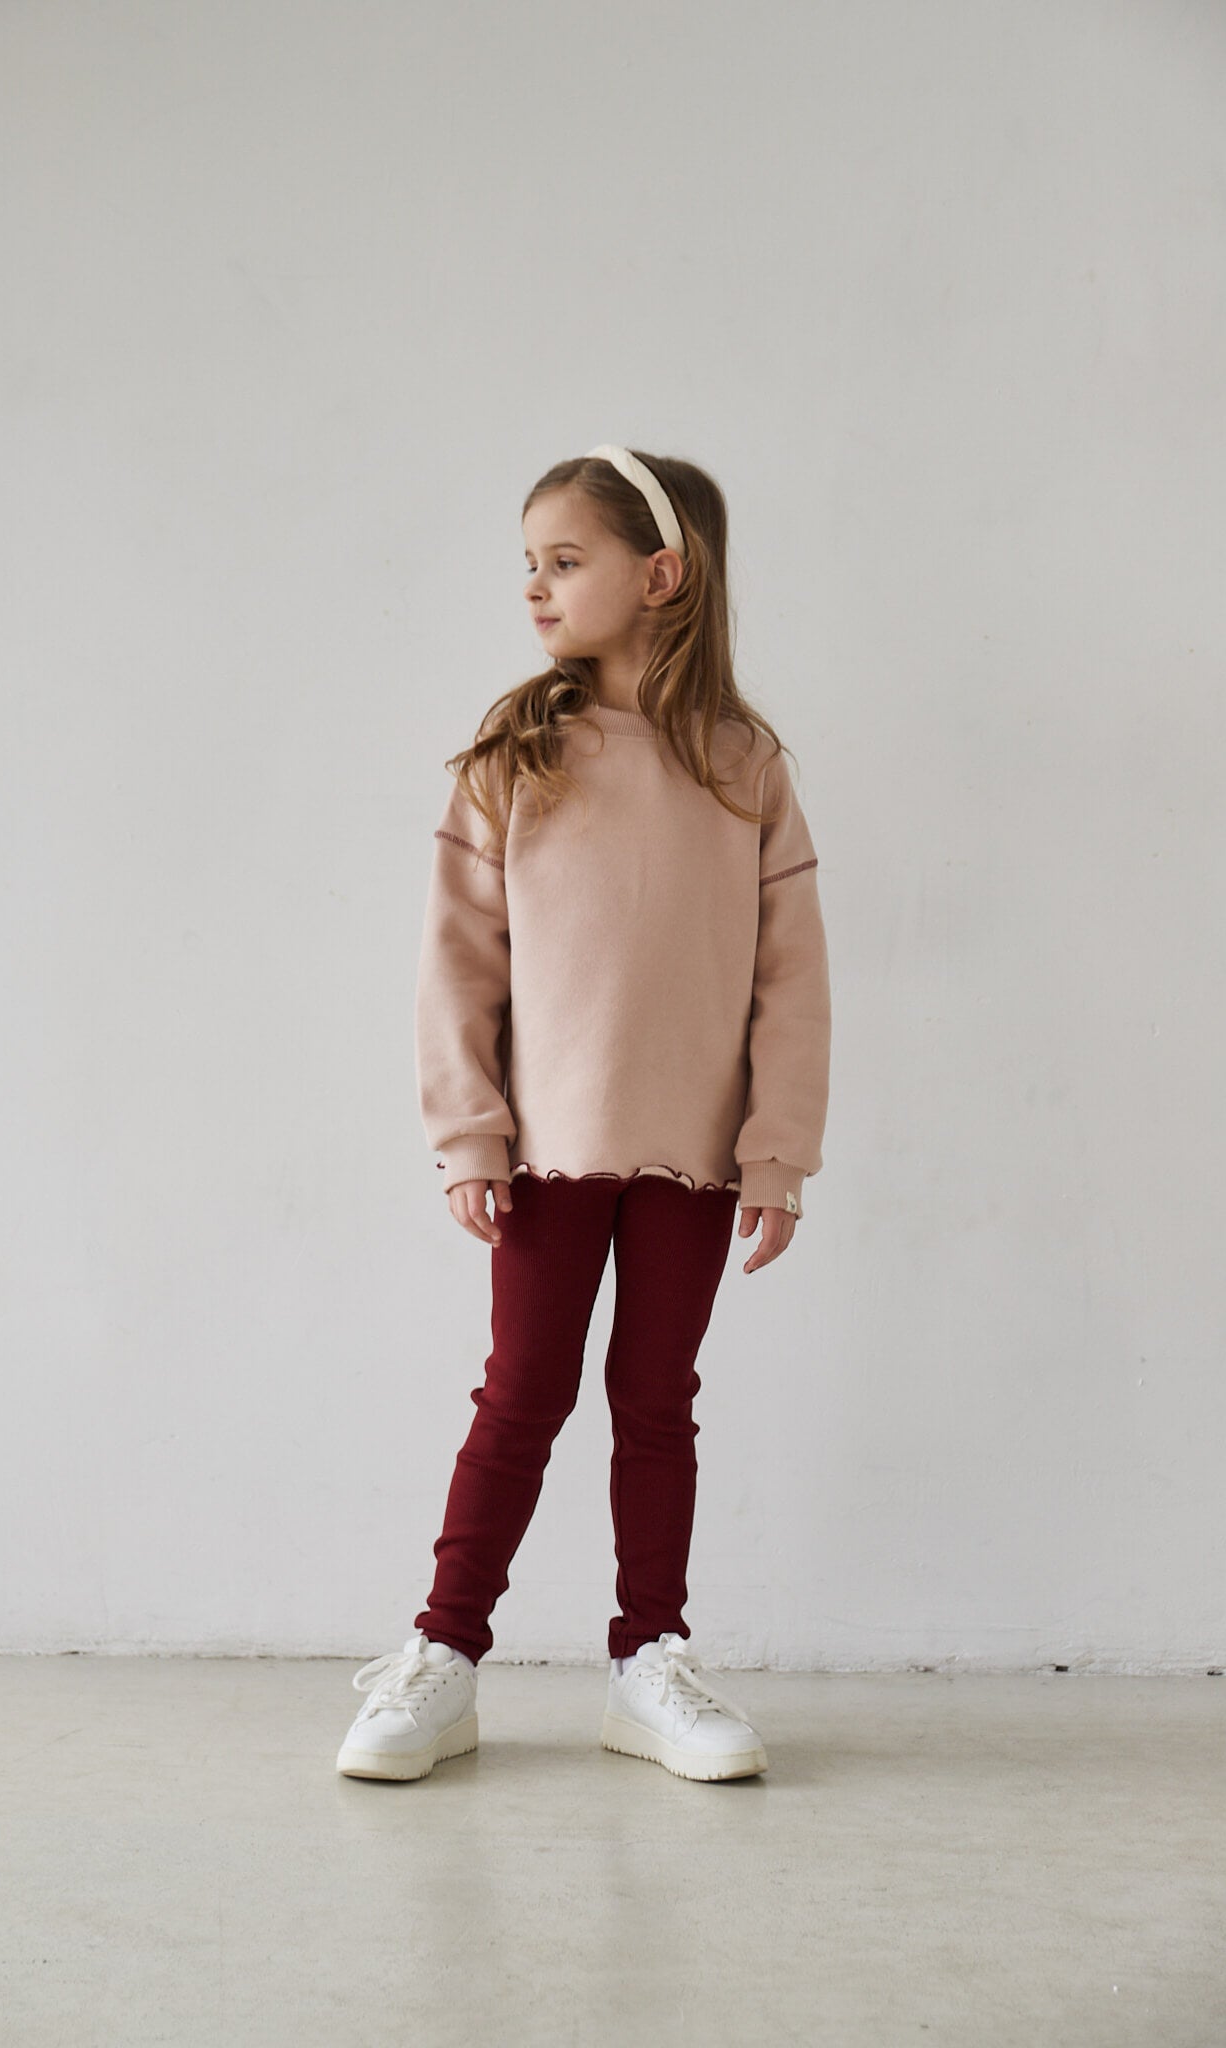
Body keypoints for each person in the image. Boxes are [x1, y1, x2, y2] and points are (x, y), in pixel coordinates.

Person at [336, 445, 831, 1785]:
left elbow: (790, 976)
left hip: (694, 1160)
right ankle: (442, 1658)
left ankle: (647, 1660)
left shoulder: (742, 766)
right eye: (529, 565)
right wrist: (470, 1136)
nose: (535, 589)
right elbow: (460, 965)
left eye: (564, 562)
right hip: (544, 1158)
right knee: (521, 1397)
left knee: (656, 1400)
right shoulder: (516, 757)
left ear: (658, 575)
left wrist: (775, 1153)